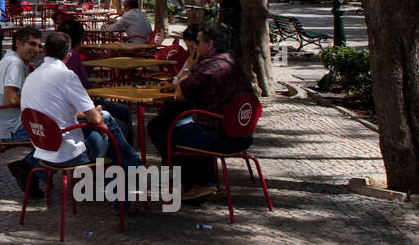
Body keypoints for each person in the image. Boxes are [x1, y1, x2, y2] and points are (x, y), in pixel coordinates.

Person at [19, 31, 143, 207]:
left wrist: (89, 116)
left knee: (110, 132)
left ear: (44, 51)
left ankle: (133, 168)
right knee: (109, 125)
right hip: (65, 152)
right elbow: (96, 120)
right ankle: (132, 174)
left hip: (41, 147)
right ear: (68, 55)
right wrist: (96, 114)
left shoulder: (31, 77)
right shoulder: (67, 76)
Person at [148, 23, 254, 203]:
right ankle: (197, 180)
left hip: (220, 134)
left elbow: (181, 94)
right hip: (243, 131)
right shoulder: (235, 62)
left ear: (210, 44)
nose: (195, 46)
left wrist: (189, 66)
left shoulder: (208, 67)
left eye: (198, 42)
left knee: (162, 129)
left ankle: (198, 183)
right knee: (173, 120)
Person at [0, 27, 45, 198]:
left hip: (9, 122)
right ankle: (29, 168)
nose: (37, 50)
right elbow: (11, 100)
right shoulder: (15, 64)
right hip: (13, 126)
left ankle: (31, 170)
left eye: (39, 46)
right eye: (32, 44)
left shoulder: (13, 60)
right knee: (61, 134)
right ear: (18, 43)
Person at [56, 18, 131, 140]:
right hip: (76, 111)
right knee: (121, 120)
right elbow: (84, 88)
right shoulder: (72, 56)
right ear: (80, 39)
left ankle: (121, 155)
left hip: (66, 112)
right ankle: (118, 157)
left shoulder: (45, 66)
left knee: (119, 114)